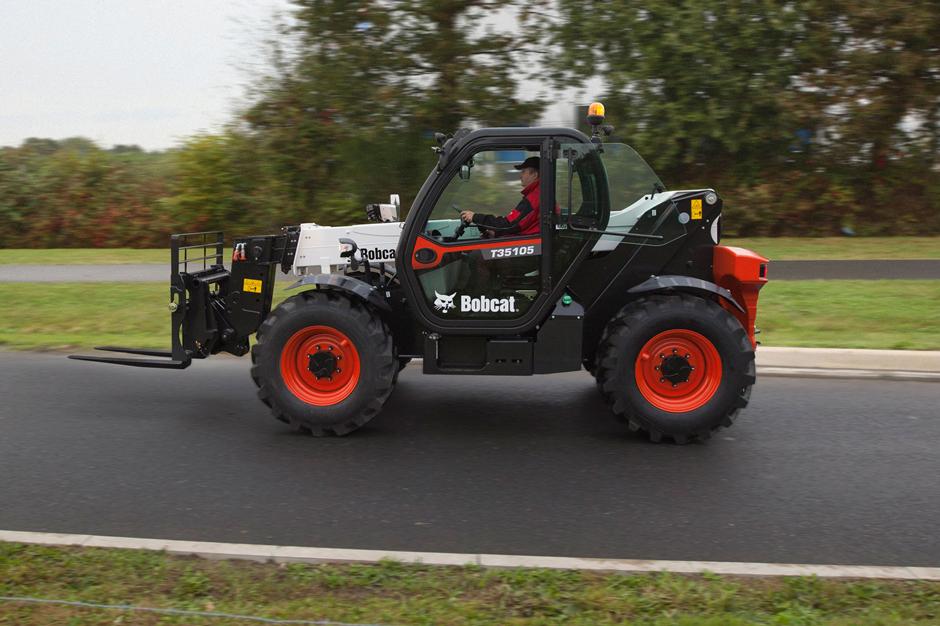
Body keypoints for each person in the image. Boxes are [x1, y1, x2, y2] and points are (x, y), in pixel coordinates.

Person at [460, 156, 541, 237]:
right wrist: (495, 233)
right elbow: (516, 227)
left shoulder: (534, 198)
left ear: (534, 175)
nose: (520, 176)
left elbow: (509, 224)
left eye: (523, 172)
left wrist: (476, 217)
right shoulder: (536, 194)